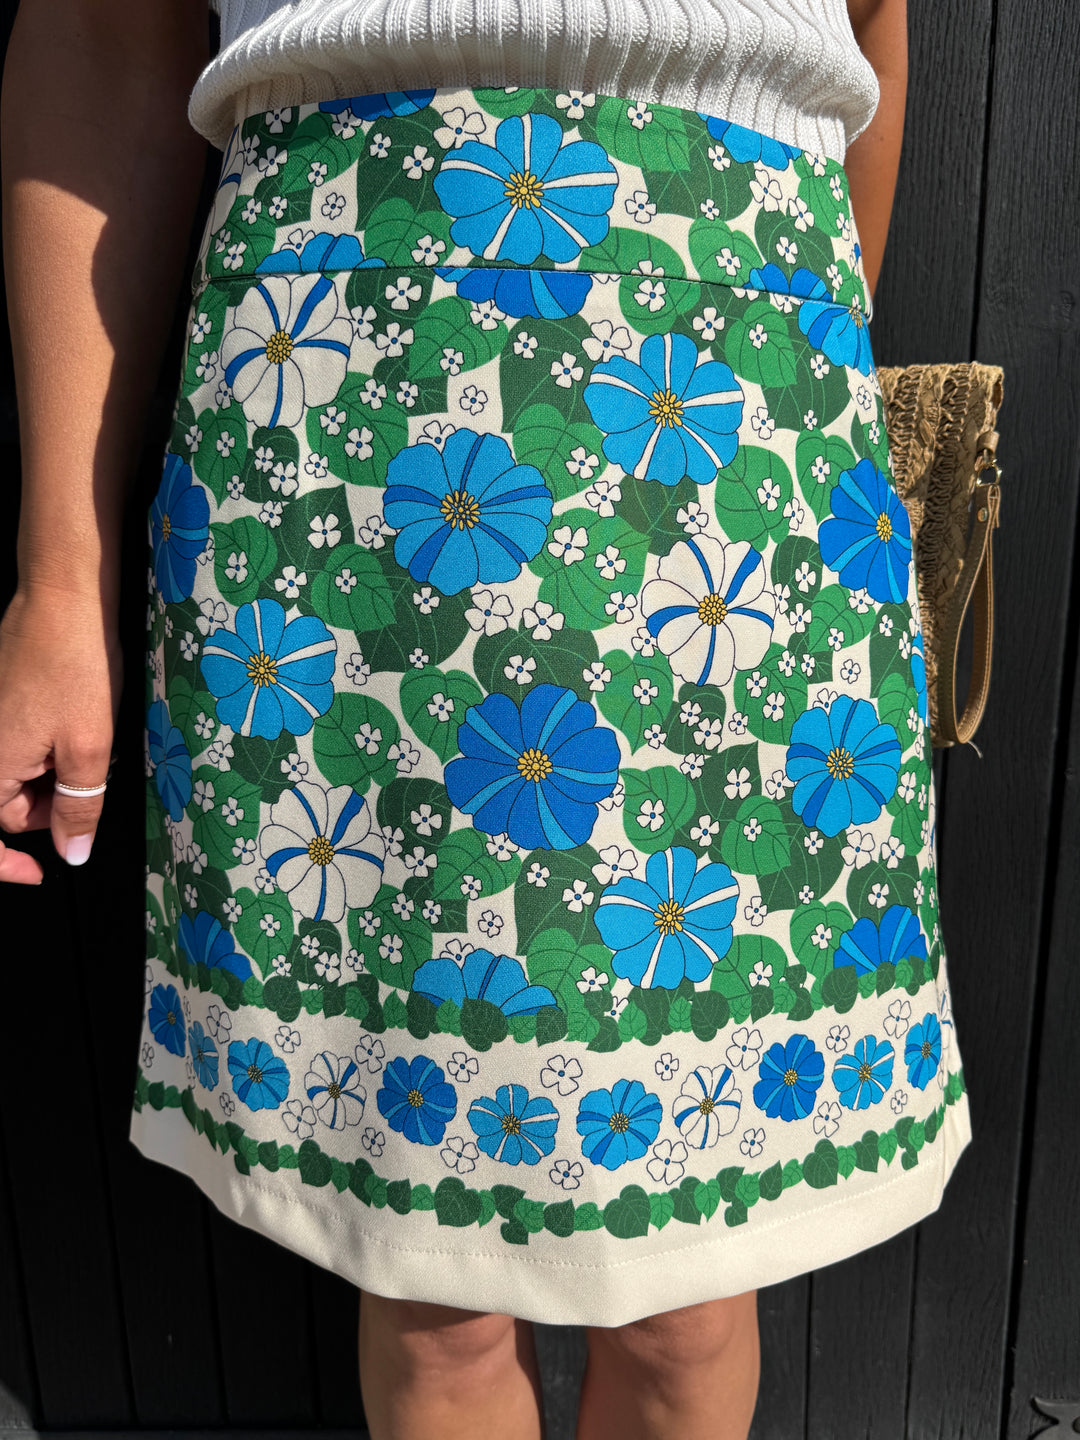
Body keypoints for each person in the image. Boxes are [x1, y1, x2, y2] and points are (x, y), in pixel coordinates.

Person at [0, 3, 972, 1438]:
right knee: (430, 1286)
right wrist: (59, 583)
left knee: (693, 1296)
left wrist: (786, 358)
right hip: (352, 430)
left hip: (731, 431)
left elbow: (866, 40)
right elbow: (101, 41)